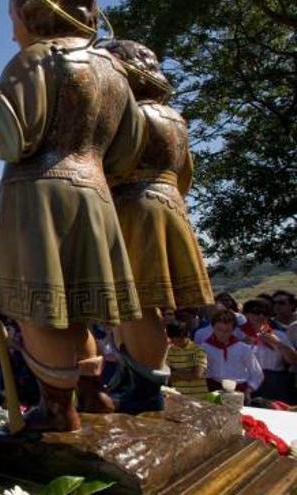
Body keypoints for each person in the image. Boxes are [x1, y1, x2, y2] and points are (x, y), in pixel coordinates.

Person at [0, 0, 145, 431]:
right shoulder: (114, 72)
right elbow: (128, 150)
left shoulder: (35, 60)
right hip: (96, 196)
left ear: (34, 16)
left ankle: (57, 411)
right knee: (78, 310)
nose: (12, 32)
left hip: (40, 198)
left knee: (44, 310)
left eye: (13, 19)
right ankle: (91, 394)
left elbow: (0, 126)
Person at [100, 39, 215, 414]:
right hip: (167, 203)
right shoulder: (174, 118)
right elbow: (186, 174)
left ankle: (146, 385)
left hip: (133, 208)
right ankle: (134, 378)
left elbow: (107, 164)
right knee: (129, 305)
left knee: (136, 305)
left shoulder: (128, 116)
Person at [200, 309, 264, 399]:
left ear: (233, 330)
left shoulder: (243, 348)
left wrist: (249, 389)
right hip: (213, 389)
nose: (223, 334)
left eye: (227, 330)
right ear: (212, 327)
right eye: (219, 330)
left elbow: (257, 373)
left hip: (239, 390)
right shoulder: (204, 348)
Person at [242, 299, 296, 403]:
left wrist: (277, 343)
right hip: (247, 379)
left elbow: (293, 360)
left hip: (274, 380)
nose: (261, 316)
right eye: (256, 312)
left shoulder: (279, 335)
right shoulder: (238, 335)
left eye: (265, 313)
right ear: (246, 314)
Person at [165, 322, 208, 399]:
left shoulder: (198, 350)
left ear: (187, 335)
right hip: (179, 398)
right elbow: (167, 378)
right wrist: (188, 374)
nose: (179, 341)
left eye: (181, 338)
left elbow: (197, 375)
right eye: (175, 339)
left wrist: (174, 371)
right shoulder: (168, 352)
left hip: (199, 397)